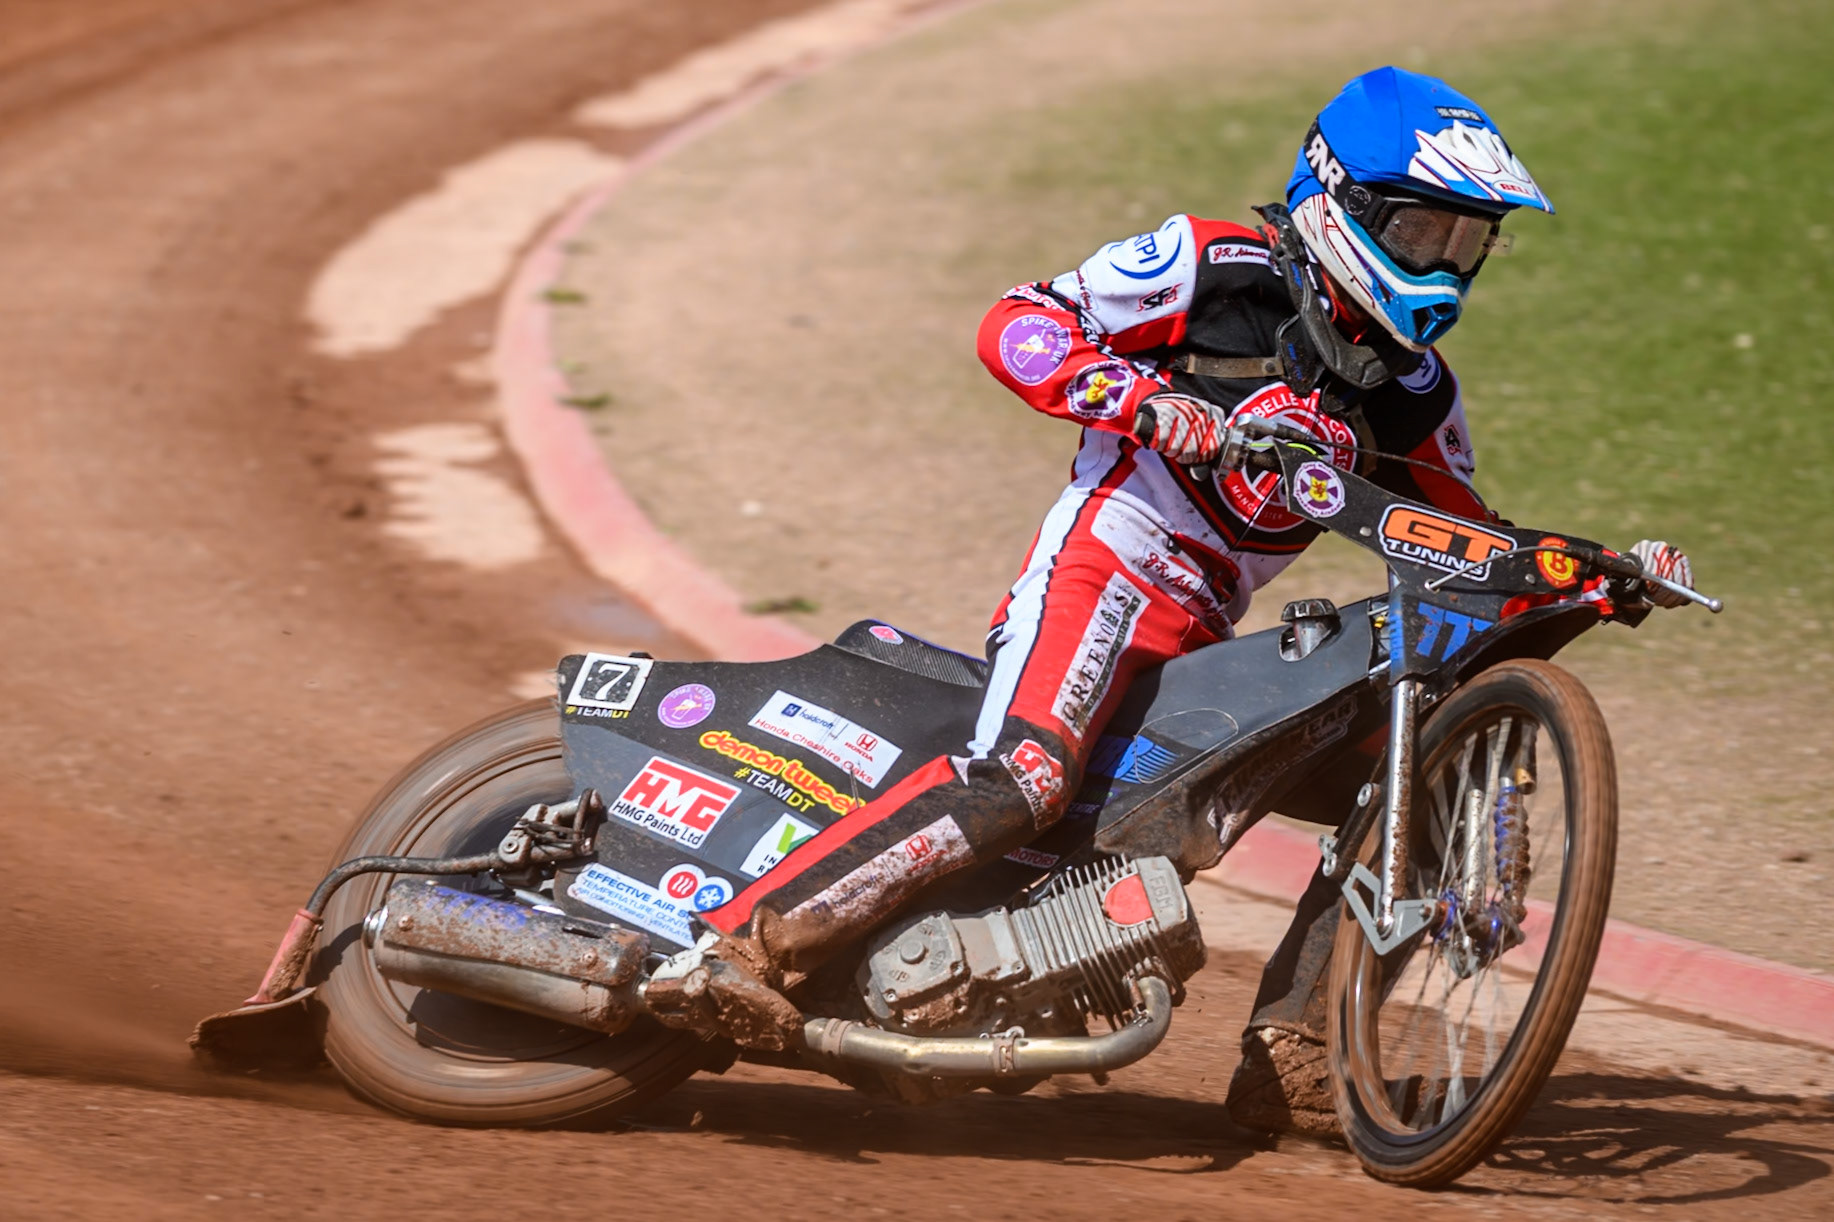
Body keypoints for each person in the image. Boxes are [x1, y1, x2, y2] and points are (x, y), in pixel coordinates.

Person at [644, 66, 1695, 1123]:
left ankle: (1290, 1055)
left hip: (1208, 625)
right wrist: (1145, 403)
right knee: (1024, 773)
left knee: (1410, 787)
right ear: (1343, 204)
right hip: (1110, 558)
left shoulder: (1415, 391)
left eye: (1467, 245)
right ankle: (743, 942)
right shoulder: (1213, 266)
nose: (1445, 268)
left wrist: (1594, 574)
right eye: (1426, 234)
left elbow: (1459, 533)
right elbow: (1017, 326)